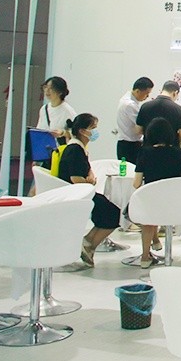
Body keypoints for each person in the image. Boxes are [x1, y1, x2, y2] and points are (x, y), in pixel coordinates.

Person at [58, 113, 121, 268]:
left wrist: (91, 176)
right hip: (76, 193)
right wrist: (89, 181)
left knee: (109, 210)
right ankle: (90, 244)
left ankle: (88, 243)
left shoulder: (80, 148)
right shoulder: (74, 150)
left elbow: (87, 170)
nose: (95, 132)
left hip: (82, 191)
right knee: (113, 213)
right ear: (82, 131)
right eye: (93, 128)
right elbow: (75, 178)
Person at [132, 117, 181, 269]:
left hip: (151, 200)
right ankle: (156, 242)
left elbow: (136, 183)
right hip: (172, 202)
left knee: (146, 217)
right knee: (152, 213)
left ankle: (145, 257)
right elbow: (180, 177)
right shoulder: (179, 153)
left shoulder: (144, 152)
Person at [135, 80, 181, 146]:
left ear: (161, 91)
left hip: (148, 148)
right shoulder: (179, 109)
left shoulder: (145, 106)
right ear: (175, 93)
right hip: (170, 149)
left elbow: (138, 131)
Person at [115, 77, 153, 165]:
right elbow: (141, 123)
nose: (147, 97)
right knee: (131, 170)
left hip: (126, 144)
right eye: (146, 94)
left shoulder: (126, 99)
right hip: (129, 146)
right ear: (138, 91)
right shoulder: (130, 105)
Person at [36, 75, 75, 154]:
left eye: (51, 88)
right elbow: (39, 130)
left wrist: (63, 133)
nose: (47, 91)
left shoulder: (67, 110)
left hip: (61, 152)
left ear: (60, 92)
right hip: (45, 151)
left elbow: (77, 133)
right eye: (46, 87)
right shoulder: (44, 109)